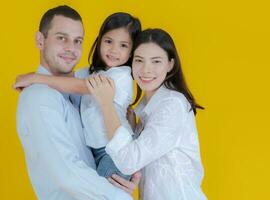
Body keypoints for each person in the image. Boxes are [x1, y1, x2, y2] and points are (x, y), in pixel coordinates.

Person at [16, 5, 140, 200]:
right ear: (40, 40)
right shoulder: (40, 97)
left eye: (77, 41)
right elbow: (68, 176)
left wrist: (123, 179)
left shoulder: (81, 84)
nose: (71, 49)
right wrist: (119, 195)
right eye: (61, 38)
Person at [86, 28, 207, 200]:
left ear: (170, 64)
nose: (146, 70)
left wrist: (106, 104)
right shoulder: (144, 110)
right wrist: (133, 181)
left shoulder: (172, 105)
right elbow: (145, 165)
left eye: (156, 61)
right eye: (139, 60)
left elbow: (128, 160)